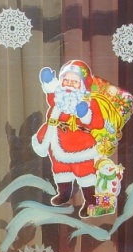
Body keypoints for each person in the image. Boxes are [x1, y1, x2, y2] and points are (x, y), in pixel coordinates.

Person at [32, 59, 104, 215]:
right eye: (66, 80)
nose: (69, 84)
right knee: (60, 169)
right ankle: (64, 194)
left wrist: (85, 114)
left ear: (82, 85)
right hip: (57, 141)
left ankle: (90, 201)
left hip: (80, 146)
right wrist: (49, 81)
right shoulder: (60, 97)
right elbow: (52, 95)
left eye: (74, 82)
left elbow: (98, 123)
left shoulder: (89, 102)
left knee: (85, 173)